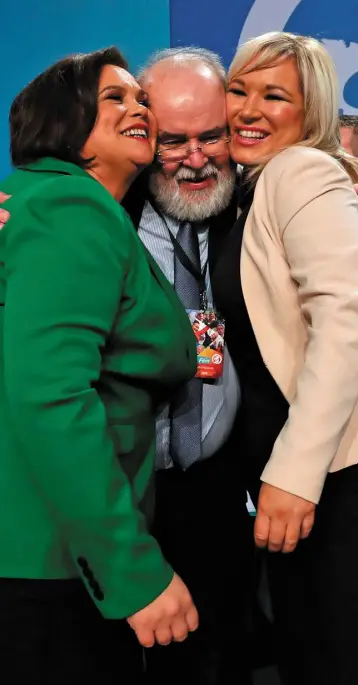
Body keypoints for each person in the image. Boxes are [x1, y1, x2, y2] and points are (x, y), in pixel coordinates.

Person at [0, 46, 199, 683]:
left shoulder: (60, 210)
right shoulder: (70, 211)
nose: (137, 106)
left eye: (140, 98)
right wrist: (131, 570)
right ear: (63, 119)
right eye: (113, 97)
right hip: (51, 560)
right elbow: (53, 394)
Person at [212, 31, 358, 685]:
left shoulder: (301, 170)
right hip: (290, 490)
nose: (248, 109)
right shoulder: (244, 187)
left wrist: (296, 474)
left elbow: (348, 317)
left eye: (274, 96)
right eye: (238, 89)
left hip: (333, 484)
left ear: (313, 113)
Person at [124, 47, 254, 685]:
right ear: (141, 134)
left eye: (212, 136)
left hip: (224, 492)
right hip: (124, 490)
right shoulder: (99, 215)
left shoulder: (259, 207)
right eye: (173, 141)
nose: (196, 158)